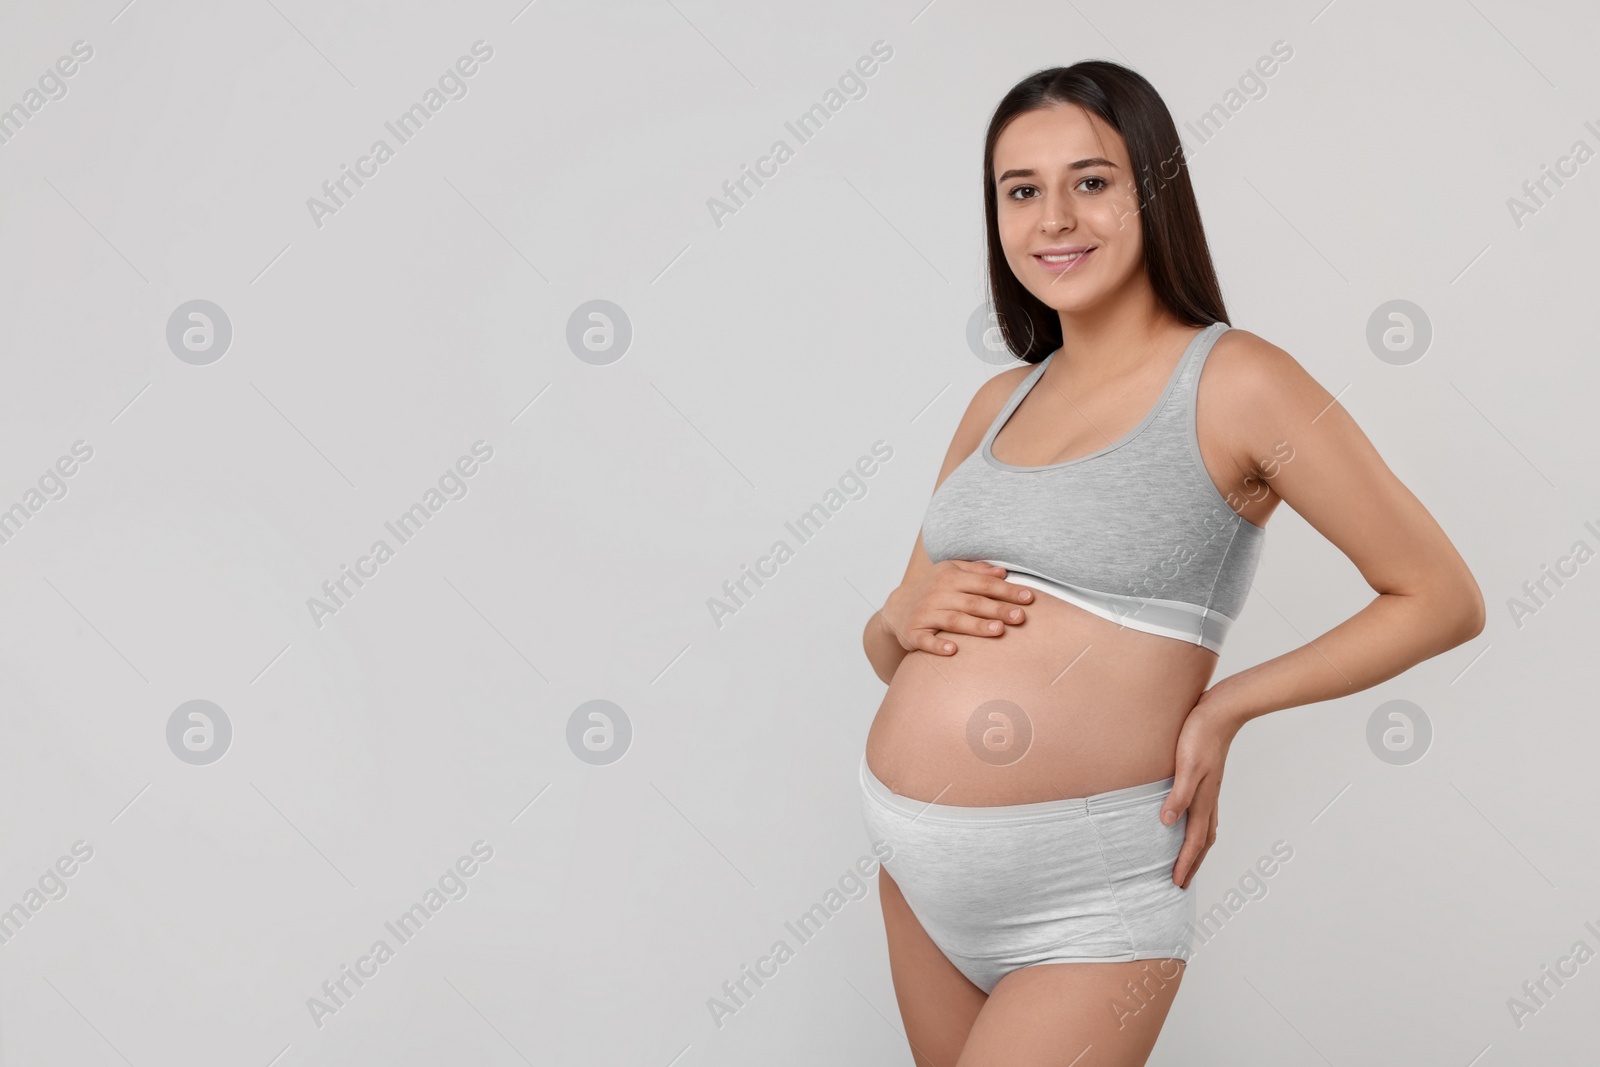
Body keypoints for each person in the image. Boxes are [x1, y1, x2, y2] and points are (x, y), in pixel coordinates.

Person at [858, 60, 1484, 1067]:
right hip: (920, 885)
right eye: (1021, 190)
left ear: (1152, 189)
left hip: (1088, 898)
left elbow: (1440, 595)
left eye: (1091, 180)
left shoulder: (1236, 379)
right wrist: (894, 617)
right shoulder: (996, 403)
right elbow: (899, 644)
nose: (1054, 217)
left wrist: (1224, 706)